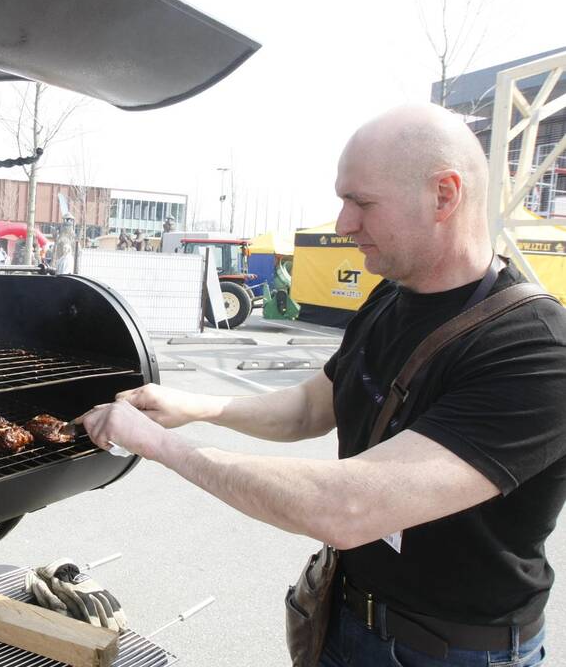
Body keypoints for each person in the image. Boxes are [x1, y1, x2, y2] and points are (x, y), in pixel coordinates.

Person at [80, 104, 566, 666]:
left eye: (361, 202)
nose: (342, 224)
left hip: (452, 652)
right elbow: (313, 405)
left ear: (444, 195)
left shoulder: (535, 349)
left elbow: (348, 507)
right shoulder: (390, 296)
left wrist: (161, 445)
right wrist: (195, 405)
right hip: (344, 615)